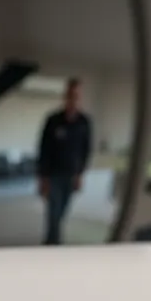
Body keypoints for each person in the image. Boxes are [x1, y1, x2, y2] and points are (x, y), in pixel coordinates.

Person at [36, 77, 93, 245]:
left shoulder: (84, 122)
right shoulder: (53, 120)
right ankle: (53, 245)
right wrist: (42, 178)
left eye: (76, 96)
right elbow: (43, 150)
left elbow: (86, 151)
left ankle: (51, 240)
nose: (73, 99)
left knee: (61, 213)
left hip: (71, 176)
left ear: (80, 98)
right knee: (53, 214)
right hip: (53, 175)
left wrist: (80, 175)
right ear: (65, 96)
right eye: (70, 95)